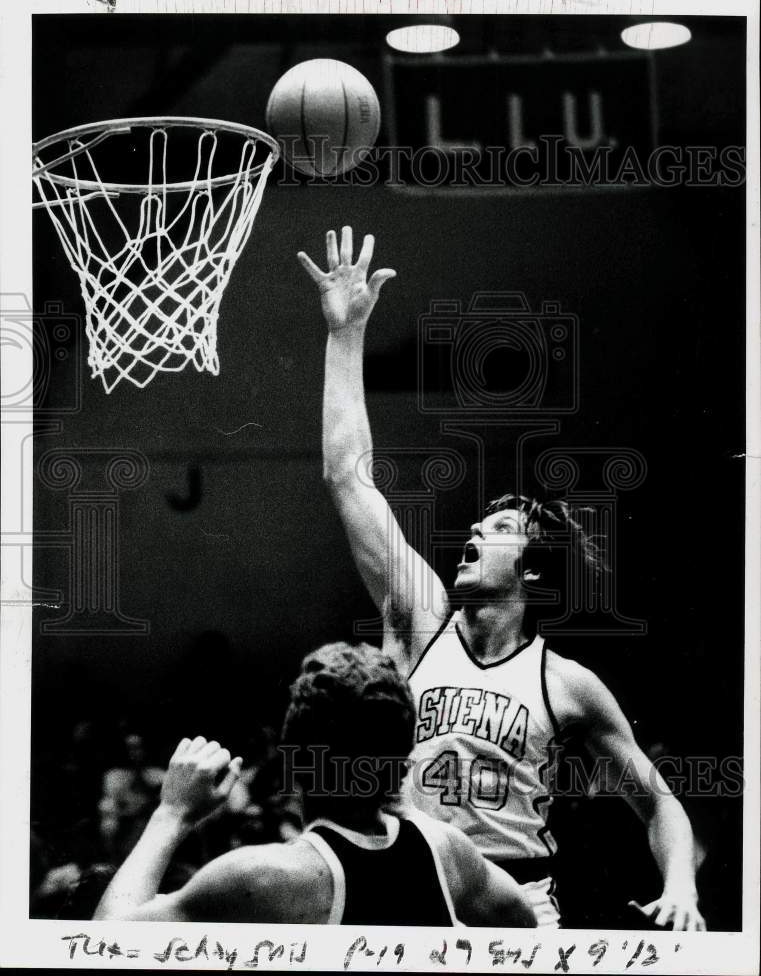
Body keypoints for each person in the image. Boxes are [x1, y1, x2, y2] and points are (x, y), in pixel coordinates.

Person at [298, 226, 706, 931]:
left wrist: (681, 890)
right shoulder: (420, 617)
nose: (473, 534)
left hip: (519, 901)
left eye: (497, 531)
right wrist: (345, 332)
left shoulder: (566, 682)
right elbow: (347, 476)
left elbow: (658, 801)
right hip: (413, 879)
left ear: (533, 566)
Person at [94, 642, 536, 926]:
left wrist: (171, 812)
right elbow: (525, 923)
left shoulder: (263, 879)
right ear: (401, 766)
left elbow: (104, 948)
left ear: (297, 764)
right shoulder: (448, 852)